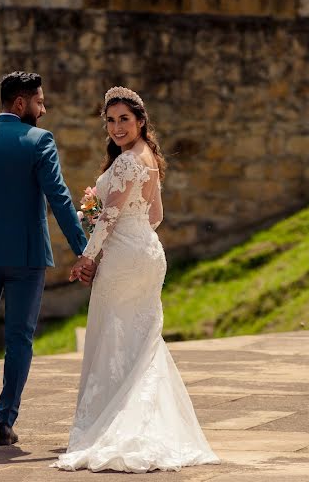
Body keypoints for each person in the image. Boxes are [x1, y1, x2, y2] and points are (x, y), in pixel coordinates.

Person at [53, 86, 220, 473]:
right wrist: (128, 230)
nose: (116, 127)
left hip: (124, 260)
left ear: (141, 120)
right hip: (147, 254)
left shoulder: (129, 160)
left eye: (124, 119)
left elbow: (110, 217)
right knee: (141, 342)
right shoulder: (148, 159)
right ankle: (146, 422)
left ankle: (115, 425)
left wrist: (86, 257)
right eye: (110, 121)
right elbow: (156, 216)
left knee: (114, 337)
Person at [0, 71, 95, 447]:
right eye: (40, 102)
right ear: (21, 103)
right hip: (28, 256)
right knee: (19, 337)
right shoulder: (39, 141)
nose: (43, 110)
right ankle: (4, 422)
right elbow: (60, 199)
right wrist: (84, 249)